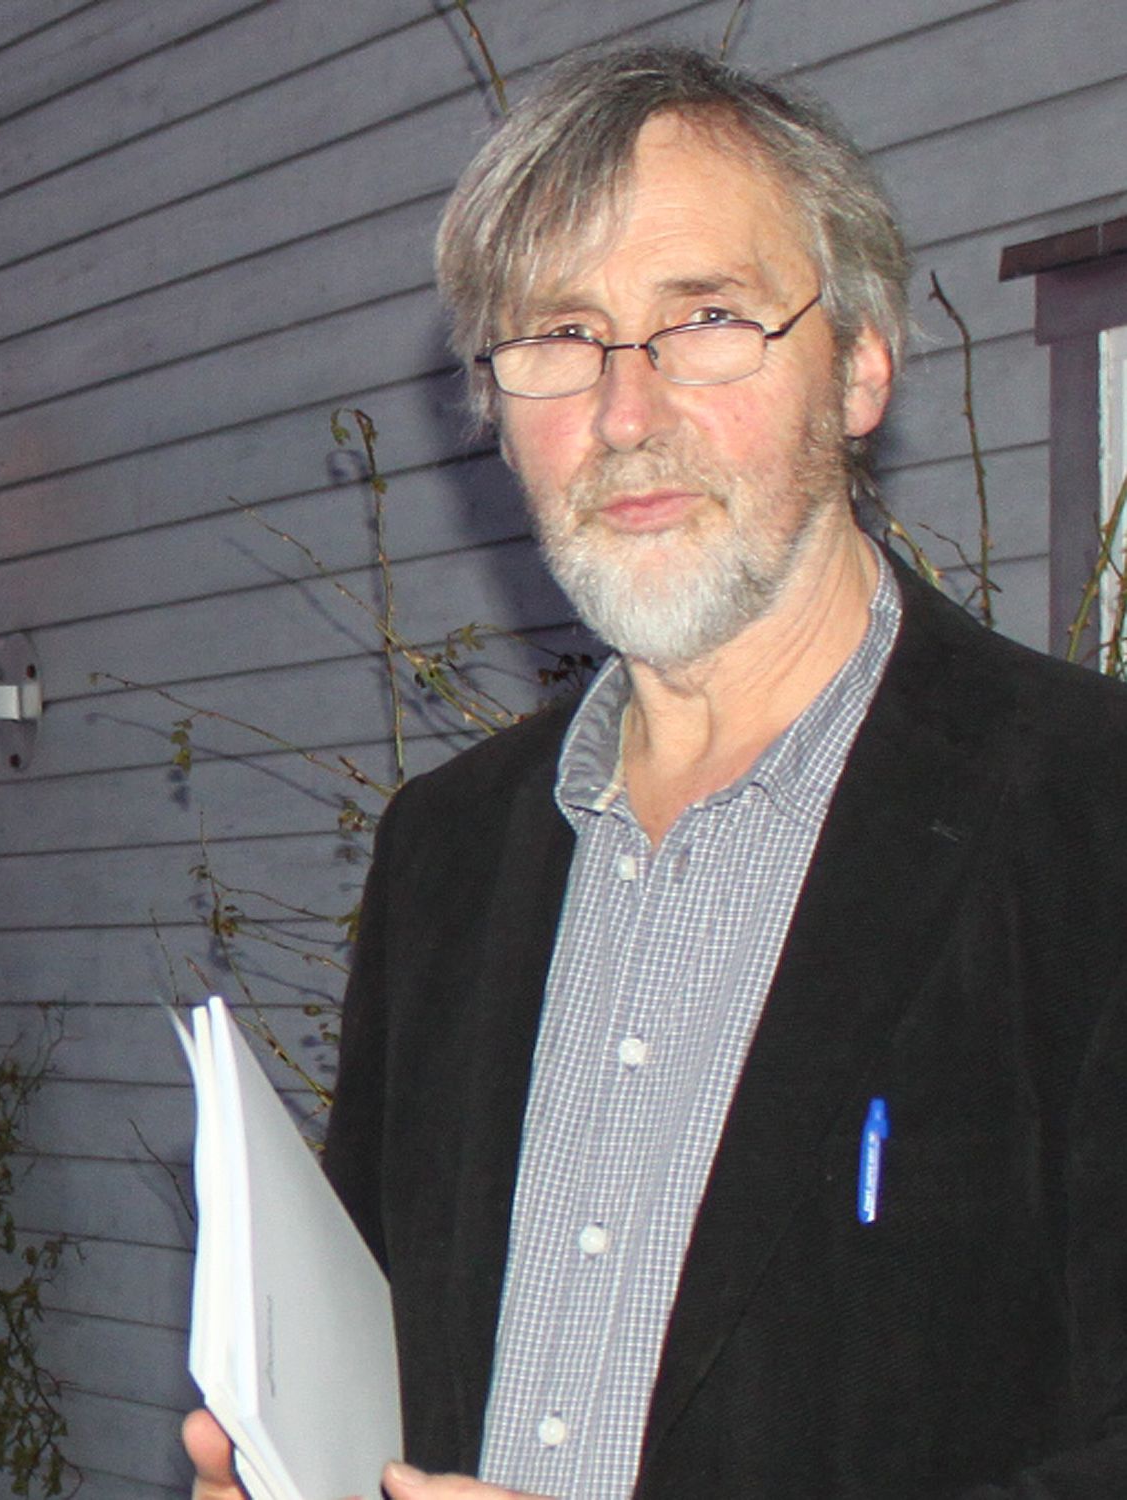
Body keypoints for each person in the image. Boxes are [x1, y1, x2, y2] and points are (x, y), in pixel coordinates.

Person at [188, 41, 1127, 1500]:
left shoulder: (1092, 820)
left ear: (860, 365)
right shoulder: (443, 856)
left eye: (706, 319)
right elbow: (383, 1375)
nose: (625, 415)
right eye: (562, 336)